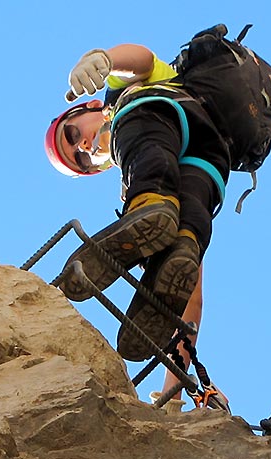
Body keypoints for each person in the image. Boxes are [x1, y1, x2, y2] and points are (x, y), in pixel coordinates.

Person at [43, 41, 228, 369]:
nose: (84, 146)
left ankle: (154, 213)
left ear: (88, 109)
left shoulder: (118, 101)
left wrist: (103, 60)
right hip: (210, 155)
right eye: (82, 160)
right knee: (185, 238)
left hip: (165, 114)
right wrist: (176, 389)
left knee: (143, 162)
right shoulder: (137, 174)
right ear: (97, 169)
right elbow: (192, 296)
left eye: (73, 135)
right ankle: (164, 269)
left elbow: (141, 59)